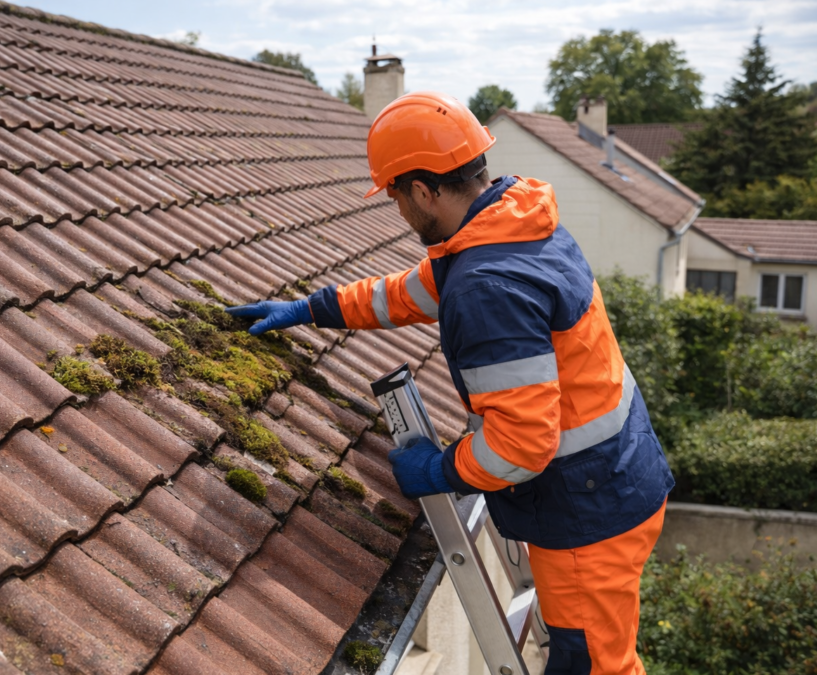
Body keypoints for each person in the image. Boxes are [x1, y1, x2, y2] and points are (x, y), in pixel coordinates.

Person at [226, 91, 673, 675]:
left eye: (394, 194)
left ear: (422, 190)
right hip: (609, 480)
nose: (397, 209)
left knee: (594, 667)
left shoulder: (487, 285)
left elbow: (521, 445)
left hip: (588, 511)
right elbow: (409, 294)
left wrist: (440, 472)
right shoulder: (510, 229)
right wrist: (314, 308)